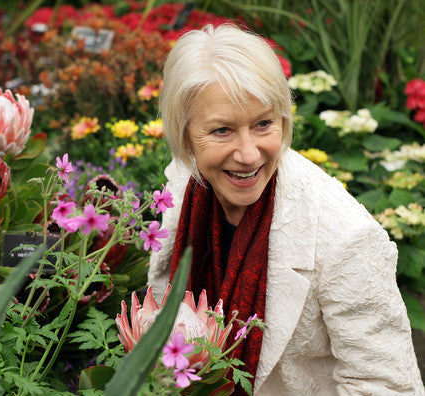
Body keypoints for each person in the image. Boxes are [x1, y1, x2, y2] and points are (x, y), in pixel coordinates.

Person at [148, 24, 424, 395]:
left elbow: (388, 387)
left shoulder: (346, 238)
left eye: (263, 124)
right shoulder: (187, 183)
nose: (248, 155)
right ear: (184, 135)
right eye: (222, 131)